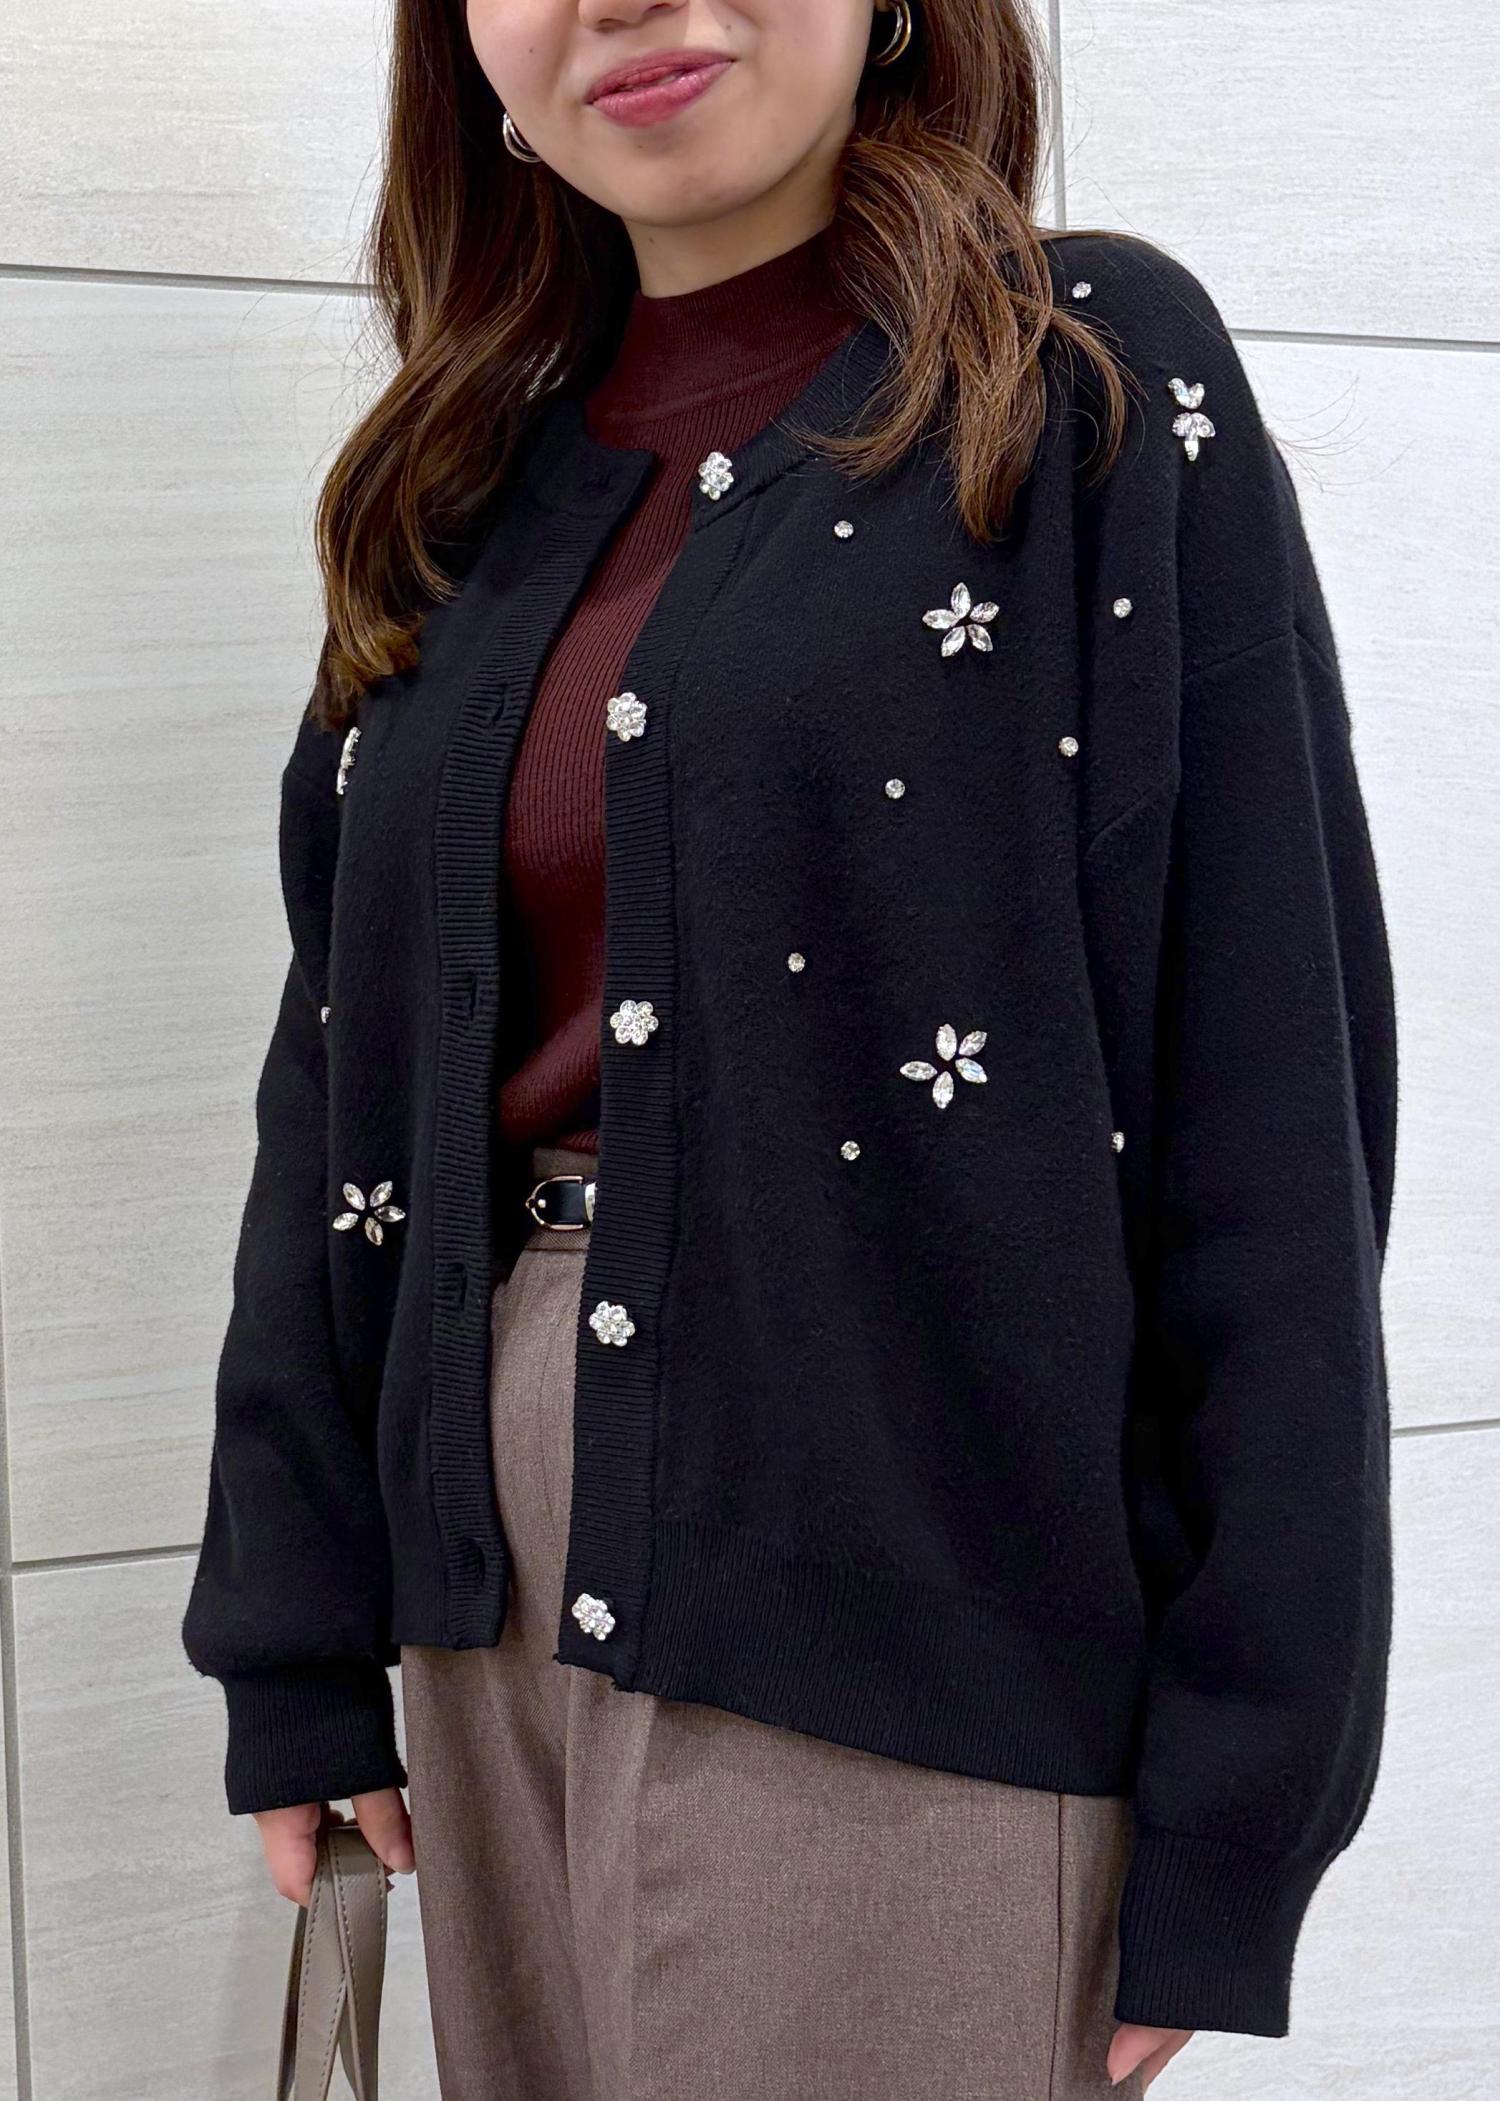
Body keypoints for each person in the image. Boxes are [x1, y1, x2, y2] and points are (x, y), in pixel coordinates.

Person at [180, 2, 1399, 2095]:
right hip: (479, 1588)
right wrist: (292, 1630)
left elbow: (1269, 1107)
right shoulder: (457, 483)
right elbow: (337, 1091)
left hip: (909, 1574)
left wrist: (1245, 1790)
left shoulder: (1083, 377)